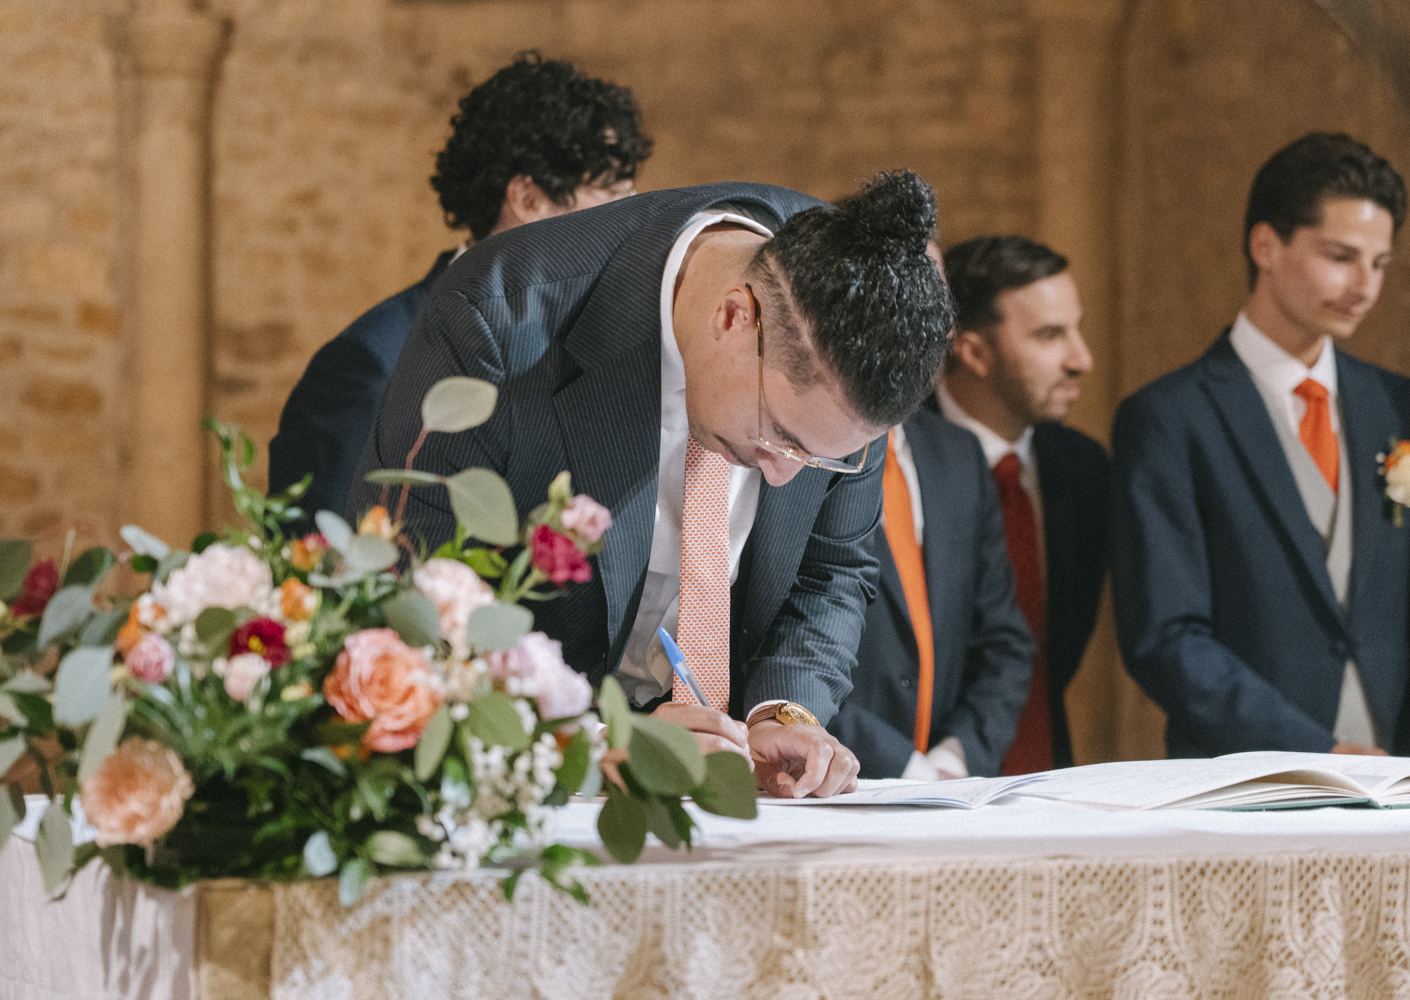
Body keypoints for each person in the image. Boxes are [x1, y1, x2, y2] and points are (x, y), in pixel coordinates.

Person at [347, 171, 954, 796]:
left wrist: (785, 710)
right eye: (781, 435)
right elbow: (408, 586)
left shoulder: (858, 338)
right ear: (732, 317)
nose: (784, 473)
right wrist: (589, 745)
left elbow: (831, 570)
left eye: (825, 459)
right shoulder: (499, 314)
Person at [1112, 132, 1410, 759]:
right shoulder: (1168, 418)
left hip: (1404, 784)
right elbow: (1166, 637)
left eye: (1380, 264)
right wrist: (1316, 752)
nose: (1364, 286)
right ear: (1266, 246)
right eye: (1341, 257)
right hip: (1245, 783)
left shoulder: (1399, 406)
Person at [269, 52, 651, 521]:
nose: (632, 221)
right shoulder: (372, 365)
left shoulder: (601, 349)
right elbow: (322, 551)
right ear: (528, 198)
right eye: (613, 197)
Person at [935, 235, 1110, 771]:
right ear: (973, 352)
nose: (1082, 359)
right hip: (917, 777)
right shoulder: (896, 458)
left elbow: (1054, 656)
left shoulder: (1084, 468)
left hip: (1048, 771)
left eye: (1076, 329)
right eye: (1050, 336)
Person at [826, 405, 1035, 780]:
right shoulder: (801, 443)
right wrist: (906, 768)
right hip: (837, 780)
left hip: (950, 782)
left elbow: (1004, 642)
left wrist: (953, 758)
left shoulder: (959, 452)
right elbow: (781, 643)